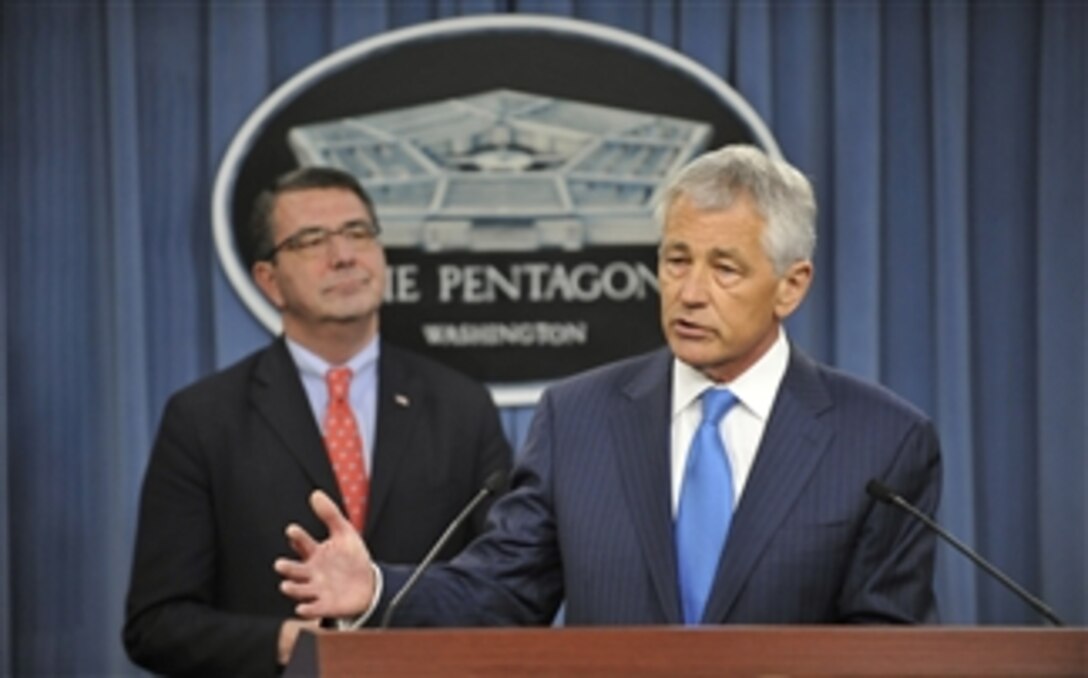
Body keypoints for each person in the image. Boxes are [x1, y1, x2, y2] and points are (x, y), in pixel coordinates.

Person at [274, 145, 942, 628]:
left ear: (790, 286)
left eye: (726, 269)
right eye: (676, 260)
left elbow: (885, 640)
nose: (690, 292)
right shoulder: (578, 418)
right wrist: (377, 589)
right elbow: (504, 591)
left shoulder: (880, 441)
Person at [123, 167, 512, 676]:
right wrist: (284, 643)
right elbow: (156, 624)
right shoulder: (203, 419)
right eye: (312, 240)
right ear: (269, 280)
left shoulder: (462, 407)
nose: (344, 256)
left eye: (357, 233)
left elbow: (505, 591)